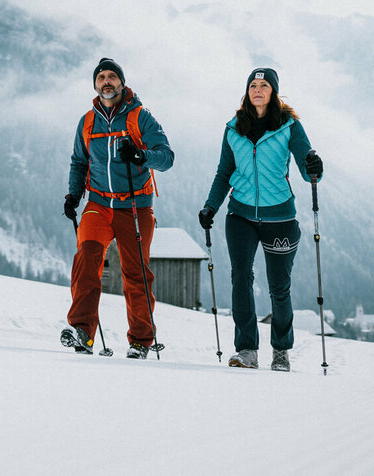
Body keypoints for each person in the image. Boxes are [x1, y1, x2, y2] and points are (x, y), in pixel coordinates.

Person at [198, 67, 323, 372]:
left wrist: (315, 167)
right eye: (253, 84)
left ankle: (280, 351)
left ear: (273, 92)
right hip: (239, 215)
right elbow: (224, 173)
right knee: (241, 278)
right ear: (247, 91)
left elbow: (309, 170)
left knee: (279, 288)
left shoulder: (289, 126)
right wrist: (211, 207)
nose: (257, 89)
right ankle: (247, 350)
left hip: (280, 217)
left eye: (264, 85)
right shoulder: (233, 128)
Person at [62, 58, 174, 359]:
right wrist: (74, 195)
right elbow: (79, 162)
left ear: (122, 83)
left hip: (134, 206)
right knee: (86, 259)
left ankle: (141, 340)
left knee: (134, 271)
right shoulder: (87, 121)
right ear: (95, 85)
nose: (107, 82)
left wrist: (140, 155)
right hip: (98, 203)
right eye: (101, 78)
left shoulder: (140, 117)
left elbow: (166, 157)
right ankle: (82, 331)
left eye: (112, 77)